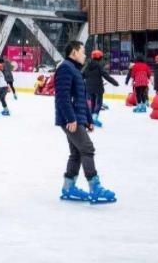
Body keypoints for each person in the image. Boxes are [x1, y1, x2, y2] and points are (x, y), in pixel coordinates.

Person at [55, 40, 116, 204]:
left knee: (76, 153)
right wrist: (70, 118)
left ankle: (68, 187)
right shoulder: (65, 68)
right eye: (82, 52)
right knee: (87, 148)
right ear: (74, 52)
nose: (84, 55)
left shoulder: (74, 69)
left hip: (76, 117)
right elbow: (62, 97)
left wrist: (88, 120)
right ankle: (95, 188)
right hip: (70, 119)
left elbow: (82, 99)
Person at [82, 50, 118, 127]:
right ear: (99, 57)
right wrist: (114, 82)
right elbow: (106, 75)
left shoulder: (87, 66)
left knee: (92, 103)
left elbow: (82, 75)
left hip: (88, 88)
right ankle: (94, 118)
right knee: (99, 103)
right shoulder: (99, 66)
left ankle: (91, 118)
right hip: (98, 88)